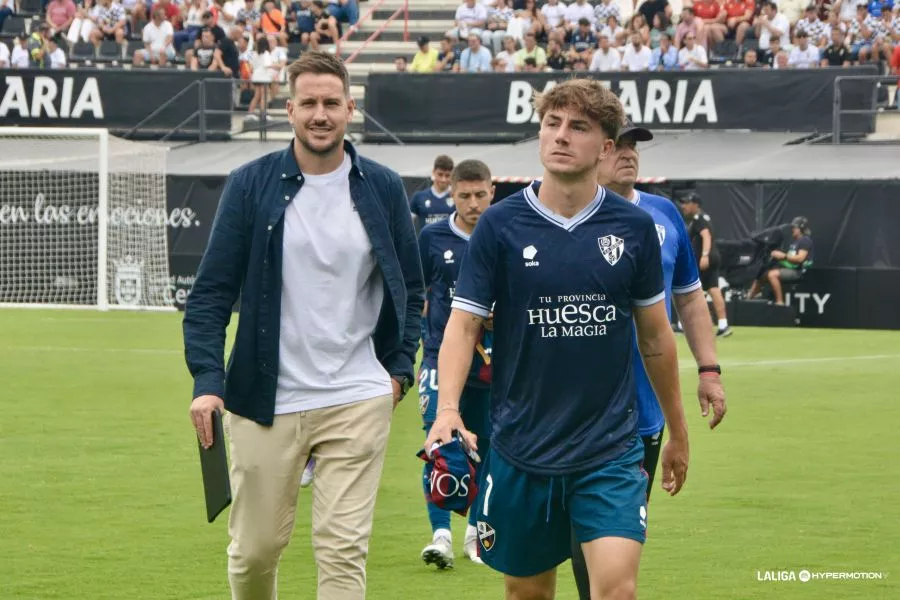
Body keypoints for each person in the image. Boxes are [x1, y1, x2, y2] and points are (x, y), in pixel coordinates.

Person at [425, 79, 690, 600]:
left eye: (579, 127)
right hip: (521, 447)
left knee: (616, 589)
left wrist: (678, 430)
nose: (561, 136)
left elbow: (656, 337)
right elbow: (464, 323)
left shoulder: (632, 227)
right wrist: (448, 409)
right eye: (552, 124)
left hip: (609, 449)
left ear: (607, 148)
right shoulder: (500, 225)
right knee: (527, 593)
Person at [183, 51, 424, 600]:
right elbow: (212, 294)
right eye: (309, 103)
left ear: (350, 109)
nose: (321, 114)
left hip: (357, 395)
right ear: (289, 109)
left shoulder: (383, 187)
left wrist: (397, 372)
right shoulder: (250, 184)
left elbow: (411, 291)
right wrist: (207, 381)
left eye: (331, 103)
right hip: (266, 397)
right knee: (255, 552)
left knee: (343, 551)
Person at [569, 120, 727, 600]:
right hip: (570, 410)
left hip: (643, 413)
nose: (630, 154)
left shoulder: (663, 215)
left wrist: (709, 370)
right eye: (621, 145)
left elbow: (691, 299)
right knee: (573, 548)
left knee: (617, 542)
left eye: (637, 145)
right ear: (596, 150)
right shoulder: (566, 211)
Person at [417, 160, 495, 569]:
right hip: (438, 357)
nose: (473, 203)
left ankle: (476, 531)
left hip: (489, 362)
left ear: (492, 191)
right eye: (464, 196)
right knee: (441, 444)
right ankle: (441, 535)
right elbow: (418, 293)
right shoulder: (431, 237)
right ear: (452, 195)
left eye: (480, 194)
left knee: (485, 446)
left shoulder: (504, 234)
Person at [679, 192, 732, 337]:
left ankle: (683, 325)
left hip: (706, 260)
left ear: (695, 204)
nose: (683, 206)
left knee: (688, 290)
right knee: (714, 290)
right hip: (712, 258)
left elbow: (706, 236)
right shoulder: (701, 218)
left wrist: (704, 255)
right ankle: (723, 324)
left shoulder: (699, 219)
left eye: (687, 203)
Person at [747, 216, 815, 304]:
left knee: (772, 274)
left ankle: (779, 302)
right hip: (791, 268)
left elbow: (800, 259)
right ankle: (749, 299)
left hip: (798, 272)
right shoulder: (795, 242)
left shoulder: (805, 240)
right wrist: (777, 257)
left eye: (794, 227)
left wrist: (783, 256)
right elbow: (790, 260)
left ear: (800, 229)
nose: (792, 229)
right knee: (761, 275)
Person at [410, 155, 455, 229]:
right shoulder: (419, 197)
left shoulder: (457, 197)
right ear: (433, 172)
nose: (443, 179)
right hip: (426, 240)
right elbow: (407, 224)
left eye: (447, 175)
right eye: (440, 174)